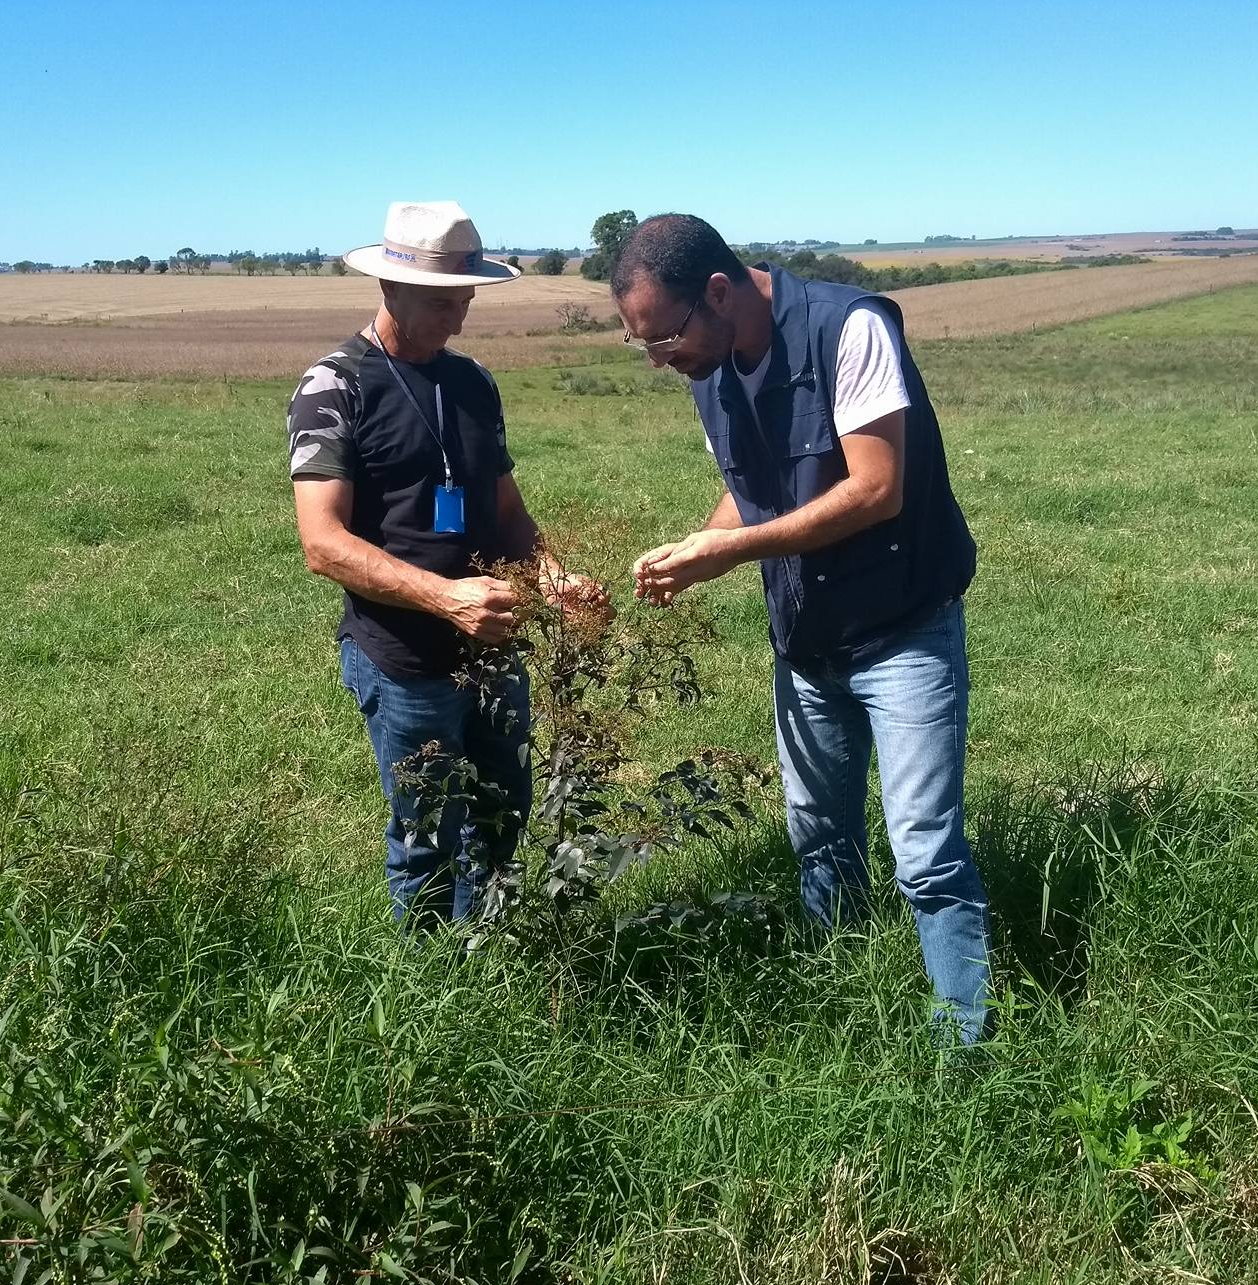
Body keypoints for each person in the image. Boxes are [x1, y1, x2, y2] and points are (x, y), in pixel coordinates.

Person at [611, 214, 991, 1043]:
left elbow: (876, 489)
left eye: (666, 337)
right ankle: (840, 1005)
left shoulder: (848, 328)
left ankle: (964, 1046)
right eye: (642, 343)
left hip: (902, 632)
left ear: (718, 292)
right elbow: (750, 489)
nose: (660, 360)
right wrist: (701, 545)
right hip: (805, 640)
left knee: (925, 855)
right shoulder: (709, 368)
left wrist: (731, 551)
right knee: (818, 839)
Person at [290, 201, 597, 927]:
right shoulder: (335, 388)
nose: (457, 319)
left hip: (494, 651)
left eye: (466, 301)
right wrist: (445, 598)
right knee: (426, 835)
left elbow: (509, 513)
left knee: (502, 817)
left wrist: (553, 578)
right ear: (390, 286)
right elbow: (322, 543)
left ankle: (487, 958)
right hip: (404, 660)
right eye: (441, 303)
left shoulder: (474, 383)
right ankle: (429, 980)